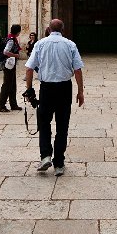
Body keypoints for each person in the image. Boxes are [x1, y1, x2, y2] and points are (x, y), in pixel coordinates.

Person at [25, 18, 84, 176]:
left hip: (46, 88)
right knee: (62, 126)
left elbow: (29, 69)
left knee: (44, 123)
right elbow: (77, 70)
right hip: (65, 88)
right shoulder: (70, 44)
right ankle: (59, 163)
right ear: (63, 30)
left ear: (49, 29)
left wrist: (29, 90)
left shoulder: (40, 44)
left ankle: (45, 156)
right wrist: (80, 91)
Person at [0, 24, 23, 112]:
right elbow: (5, 52)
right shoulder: (11, 40)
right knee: (7, 85)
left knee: (12, 84)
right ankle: (1, 105)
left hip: (11, 64)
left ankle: (13, 104)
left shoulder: (10, 38)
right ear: (18, 31)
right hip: (8, 64)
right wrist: (15, 55)